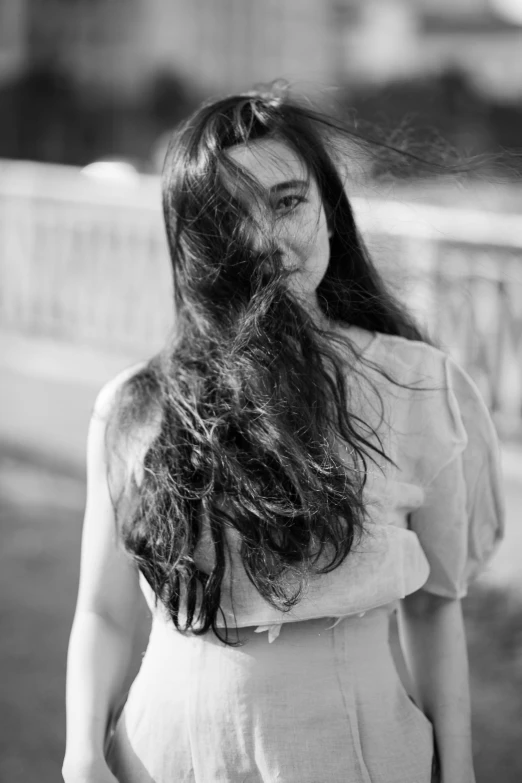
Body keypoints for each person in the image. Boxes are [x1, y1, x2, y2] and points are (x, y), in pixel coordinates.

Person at [62, 87, 504, 783]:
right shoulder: (134, 406)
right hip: (162, 756)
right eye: (228, 216)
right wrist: (82, 753)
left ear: (330, 209)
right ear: (197, 246)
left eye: (288, 201)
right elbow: (104, 612)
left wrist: (461, 766)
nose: (265, 238)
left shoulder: (420, 385)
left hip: (357, 754)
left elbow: (433, 607)